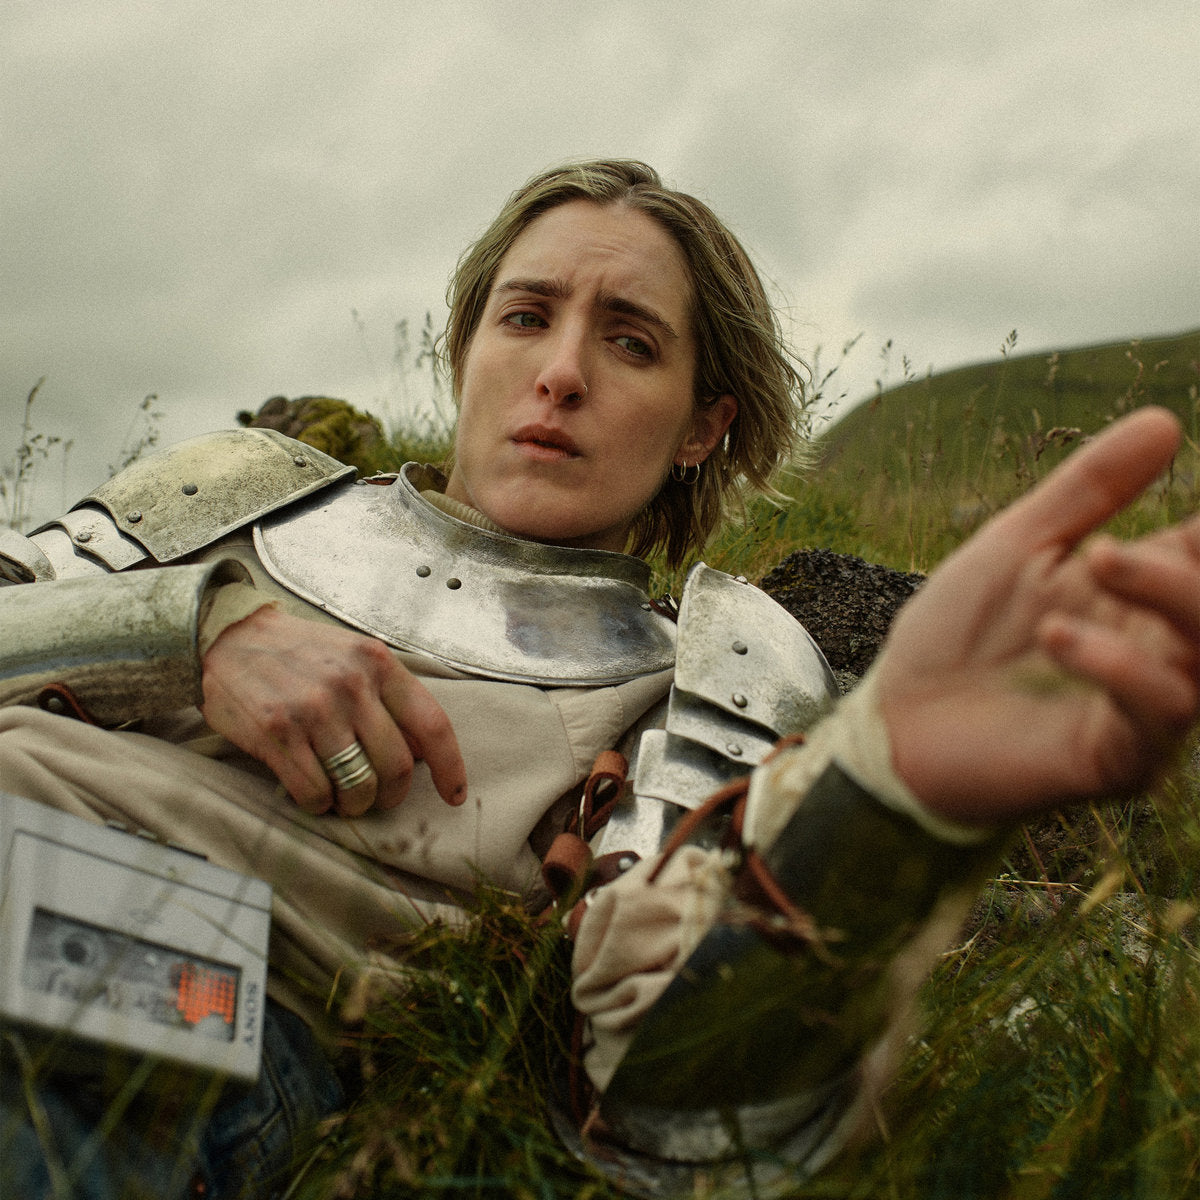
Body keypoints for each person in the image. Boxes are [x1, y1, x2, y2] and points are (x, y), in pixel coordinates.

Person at [2, 158, 1199, 1198]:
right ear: (466, 350)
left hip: (140, 1010)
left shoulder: (710, 674)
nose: (562, 371)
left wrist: (886, 798)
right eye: (525, 317)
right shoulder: (236, 493)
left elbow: (670, 1104)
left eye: (631, 342)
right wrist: (193, 631)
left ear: (703, 427)